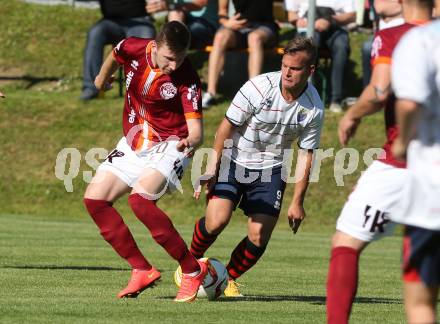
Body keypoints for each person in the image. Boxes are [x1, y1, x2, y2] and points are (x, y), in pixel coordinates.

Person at [83, 21, 208, 302]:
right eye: (169, 58)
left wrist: (192, 141)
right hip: (134, 141)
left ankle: (191, 271)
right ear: (156, 46)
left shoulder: (186, 78)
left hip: (171, 144)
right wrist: (101, 80)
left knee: (140, 201)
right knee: (95, 200)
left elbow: (197, 131)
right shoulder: (134, 47)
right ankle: (141, 269)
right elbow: (116, 54)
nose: (174, 65)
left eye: (180, 58)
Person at [190, 35, 324, 296]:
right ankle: (188, 264)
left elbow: (307, 155)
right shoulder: (259, 87)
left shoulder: (314, 108)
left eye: (295, 69)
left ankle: (225, 279)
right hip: (234, 159)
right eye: (285, 65)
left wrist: (298, 202)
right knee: (216, 221)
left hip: (272, 168)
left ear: (310, 71)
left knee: (259, 236)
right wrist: (212, 168)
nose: (287, 72)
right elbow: (226, 127)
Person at [325, 0, 433, 322]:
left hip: (406, 162)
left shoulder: (395, 36)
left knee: (346, 240)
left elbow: (380, 90)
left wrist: (352, 114)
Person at [391, 18, 440, 324]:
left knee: (421, 300)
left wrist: (401, 144)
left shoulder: (420, 40)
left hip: (433, 189)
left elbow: (409, 104)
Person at [201, 0, 279, 109]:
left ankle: (254, 94)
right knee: (220, 37)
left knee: (254, 38)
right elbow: (222, 12)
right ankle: (211, 93)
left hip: (264, 26)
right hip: (239, 25)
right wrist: (227, 22)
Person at [284, 0, 356, 113]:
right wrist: (298, 21)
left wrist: (331, 20)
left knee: (341, 47)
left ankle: (335, 99)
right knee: (306, 48)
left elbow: (352, 15)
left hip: (335, 27)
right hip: (306, 26)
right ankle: (303, 95)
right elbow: (291, 14)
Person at [80, 0, 156, 101]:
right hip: (110, 22)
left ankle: (144, 90)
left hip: (140, 21)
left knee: (146, 41)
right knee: (95, 33)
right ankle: (91, 88)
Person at [361, 0, 403, 87]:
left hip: (409, 32)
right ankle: (369, 89)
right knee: (368, 48)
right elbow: (380, 7)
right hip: (385, 33)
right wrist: (406, 7)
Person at [146, 0, 219, 49]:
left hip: (208, 25)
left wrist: (169, 5)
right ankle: (173, 52)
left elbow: (200, 4)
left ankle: (173, 53)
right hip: (185, 22)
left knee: (175, 15)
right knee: (175, 13)